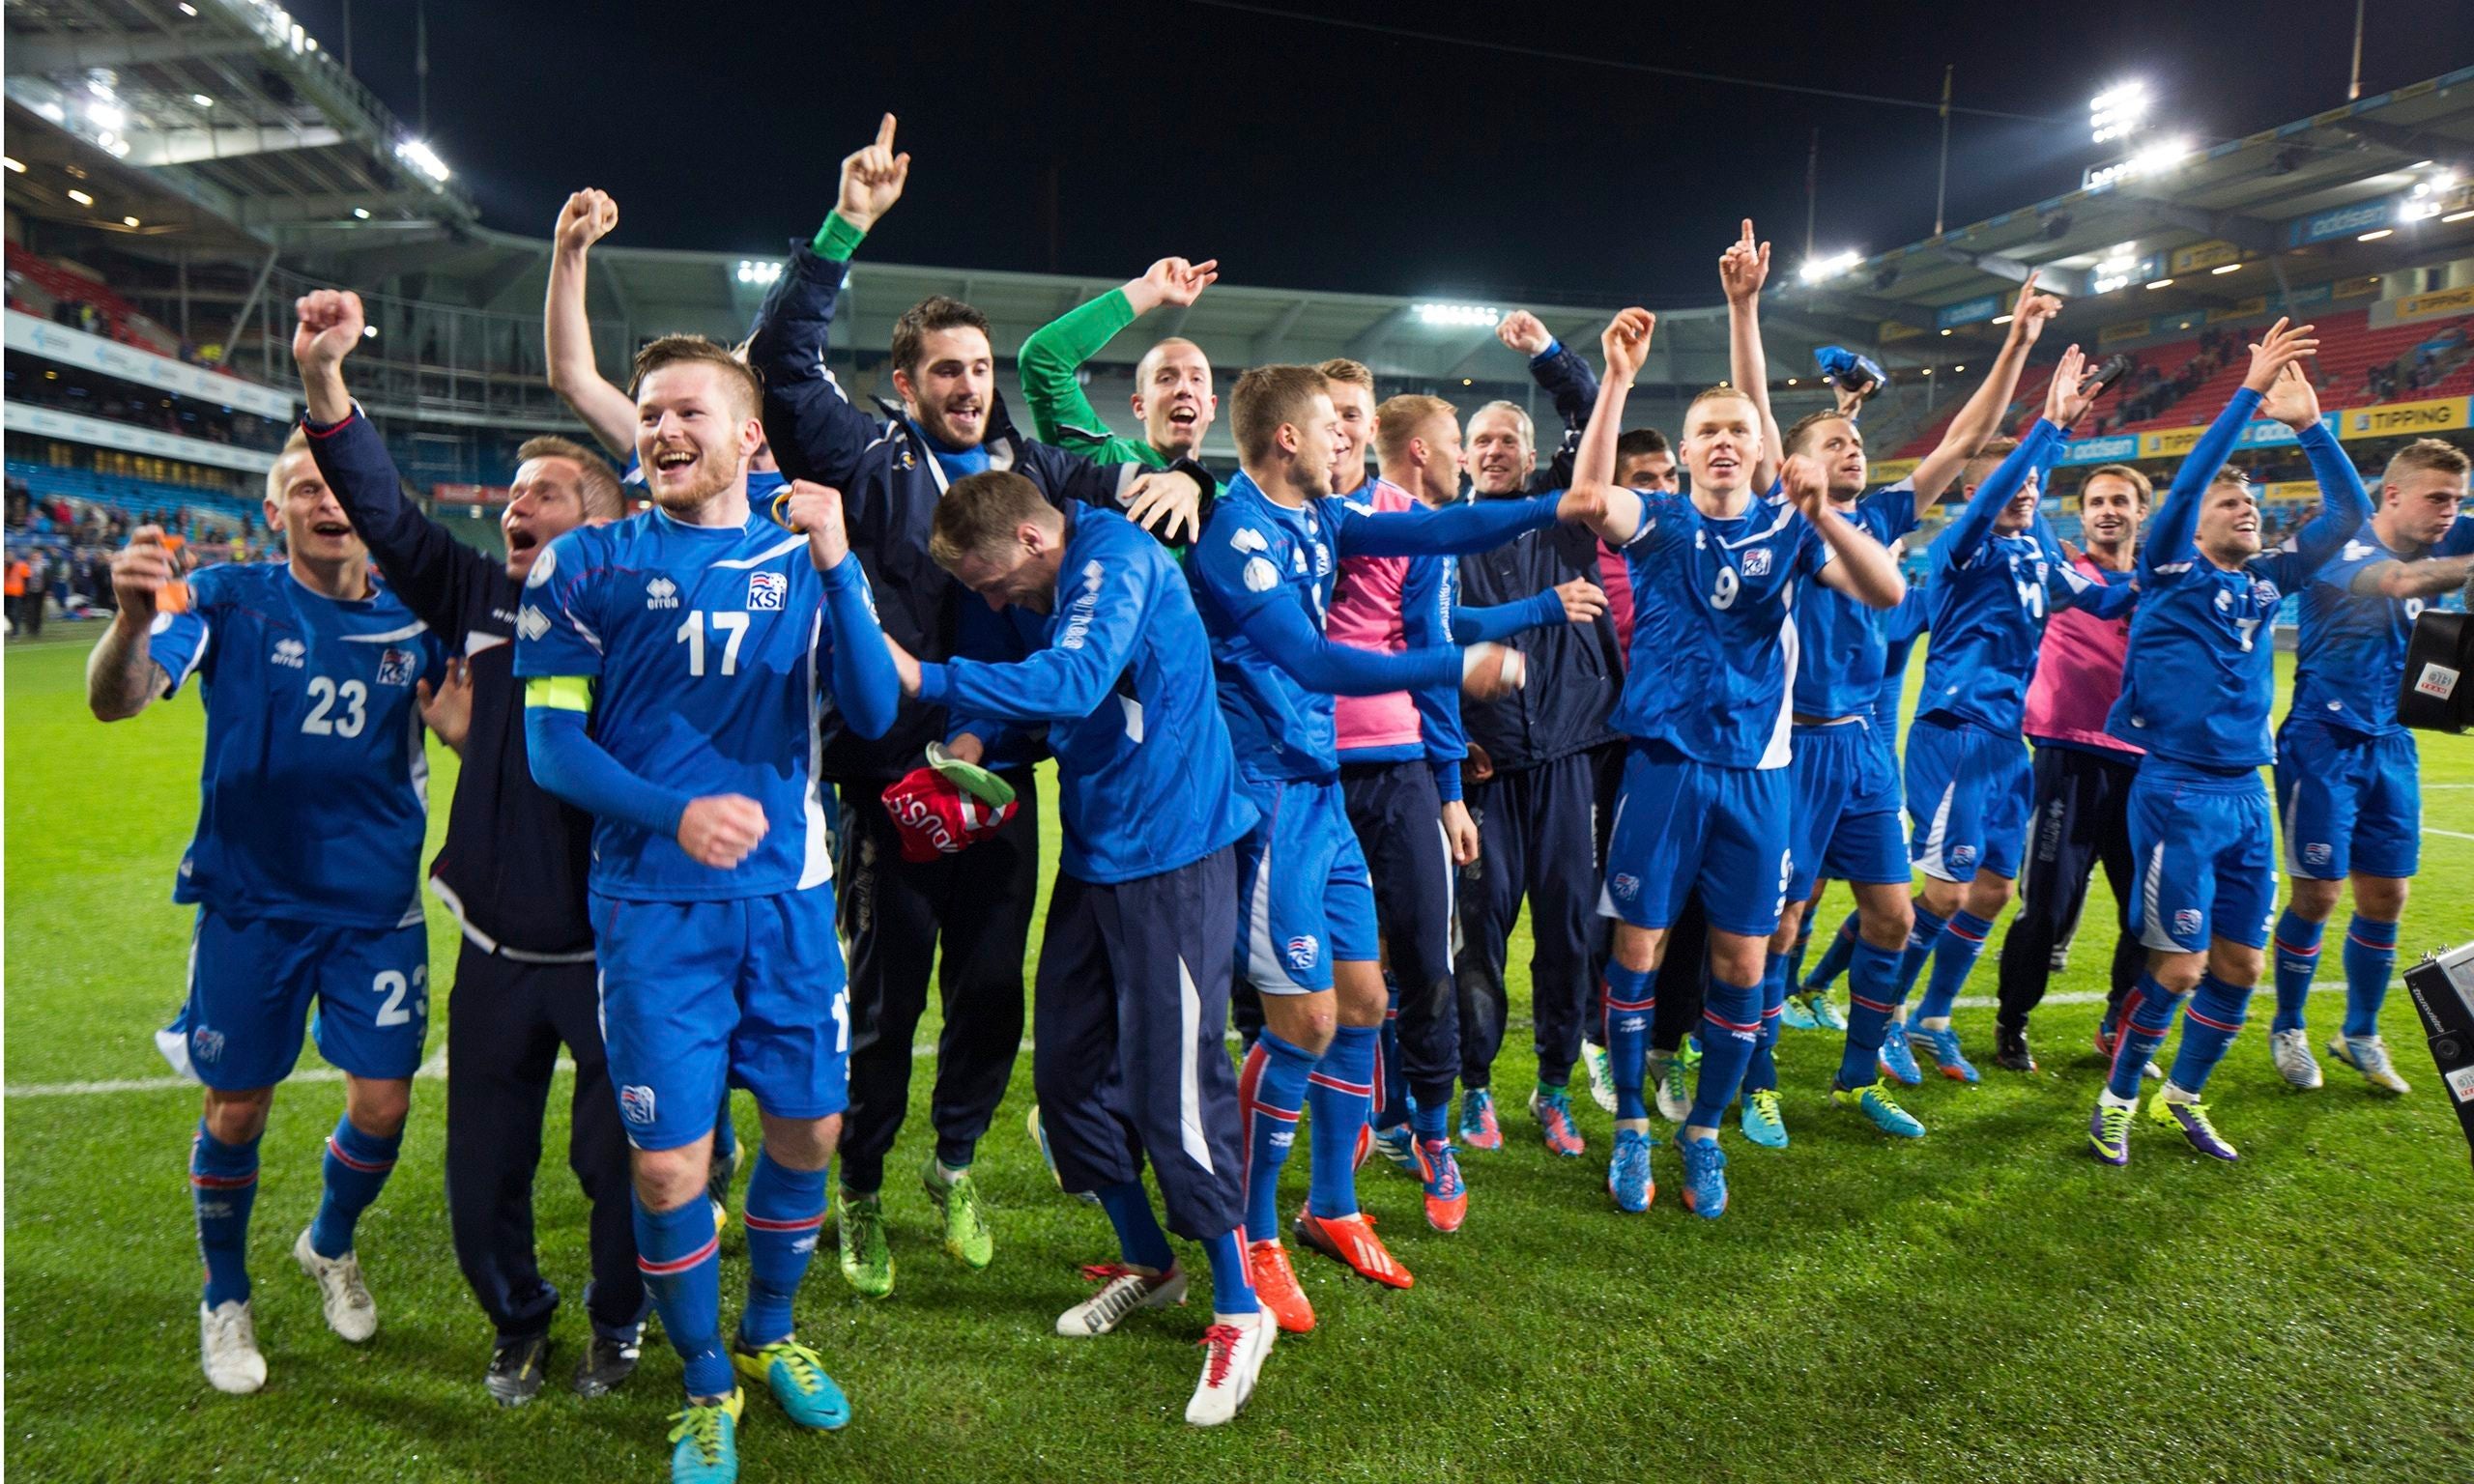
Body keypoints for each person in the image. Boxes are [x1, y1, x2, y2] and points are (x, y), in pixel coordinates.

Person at [744, 117, 1204, 1298]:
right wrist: (846, 224)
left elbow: (1134, 486)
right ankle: (858, 1189)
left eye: (979, 368)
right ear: (905, 384)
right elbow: (782, 370)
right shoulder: (868, 458)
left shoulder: (1037, 468)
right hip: (891, 780)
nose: (967, 386)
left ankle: (954, 1165)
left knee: (991, 997)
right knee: (886, 1006)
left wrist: (1173, 473)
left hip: (1003, 784)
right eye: (944, 370)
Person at [516, 331, 903, 1483]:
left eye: (689, 411)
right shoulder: (582, 564)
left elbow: (875, 713)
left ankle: (773, 1331)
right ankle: (703, 1380)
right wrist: (671, 813)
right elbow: (549, 746)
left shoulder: (809, 557)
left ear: (749, 437)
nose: (664, 430)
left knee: (810, 1133)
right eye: (649, 413)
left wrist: (839, 564)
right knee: (669, 1173)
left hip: (787, 906)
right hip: (652, 911)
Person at [290, 287, 648, 1404]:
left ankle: (617, 1324)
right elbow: (385, 513)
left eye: (540, 494)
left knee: (617, 1164)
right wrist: (323, 379)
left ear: (598, 516)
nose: (512, 510)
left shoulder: (644, 609)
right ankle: (516, 1322)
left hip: (614, 946)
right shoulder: (479, 598)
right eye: (508, 497)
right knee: (483, 1169)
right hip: (495, 949)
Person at [1190, 362, 1575, 1328]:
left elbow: (1438, 528)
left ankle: (1331, 1205)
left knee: (1363, 1005)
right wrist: (1458, 662)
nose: (1347, 447)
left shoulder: (1319, 516)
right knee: (1302, 1026)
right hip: (1269, 801)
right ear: (1286, 439)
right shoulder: (1237, 535)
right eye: (1331, 430)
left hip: (1324, 796)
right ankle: (1251, 1231)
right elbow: (1314, 658)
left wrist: (1559, 504)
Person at [897, 469, 1270, 1424]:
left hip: (1176, 854)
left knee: (1172, 1091)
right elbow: (1054, 710)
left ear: (1030, 538)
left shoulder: (1118, 559)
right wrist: (975, 742)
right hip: (1102, 854)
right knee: (1066, 1082)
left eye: (989, 582)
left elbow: (1072, 678)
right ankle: (1149, 1261)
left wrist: (926, 682)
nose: (989, 601)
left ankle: (1239, 1305)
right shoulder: (1045, 577)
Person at [87, 425, 448, 1397]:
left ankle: (326, 1244)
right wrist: (127, 622)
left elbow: (472, 728)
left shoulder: (418, 619)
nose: (328, 503)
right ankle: (224, 1291)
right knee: (237, 1107)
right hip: (252, 905)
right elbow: (119, 700)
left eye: (341, 488)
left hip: (377, 908)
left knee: (384, 1104)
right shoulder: (222, 597)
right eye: (305, 489)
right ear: (273, 511)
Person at [1721, 236, 2069, 1141]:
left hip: (1863, 744)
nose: (1854, 448)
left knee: (1890, 912)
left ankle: (1854, 1076)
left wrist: (2019, 344)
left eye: (1857, 441)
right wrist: (1746, 307)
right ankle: (1755, 1078)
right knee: (1782, 924)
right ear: (1793, 461)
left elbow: (1963, 438)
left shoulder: (1875, 517)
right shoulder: (1781, 514)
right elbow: (1757, 411)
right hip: (1789, 746)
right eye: (1834, 440)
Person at [1571, 305, 1908, 1219]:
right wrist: (1616, 381)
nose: (1724, 442)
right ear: (1684, 453)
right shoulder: (1662, 522)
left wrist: (1826, 515)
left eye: (1739, 432)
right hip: (1665, 771)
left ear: (1760, 453)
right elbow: (1582, 502)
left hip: (1760, 779)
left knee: (1742, 959)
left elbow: (1888, 589)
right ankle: (1635, 1123)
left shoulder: (1791, 532)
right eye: (1708, 432)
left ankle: (1706, 1133)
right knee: (1636, 950)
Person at [2089, 321, 2369, 1168]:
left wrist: (2310, 425)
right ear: (2196, 522)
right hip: (2176, 793)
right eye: (2230, 502)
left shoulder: (2264, 581)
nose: (2246, 508)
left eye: (2252, 504)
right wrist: (2246, 392)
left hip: (2248, 794)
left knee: (2240, 968)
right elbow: (2180, 498)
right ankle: (2119, 1099)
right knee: (2176, 970)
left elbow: (2350, 513)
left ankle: (2187, 1097)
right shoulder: (2169, 572)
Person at [1333, 386, 1598, 1228]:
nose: (1471, 454)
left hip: (1428, 766)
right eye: (1461, 440)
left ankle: (1441, 1129)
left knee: (1435, 953)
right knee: (1336, 963)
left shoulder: (1431, 530)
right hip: (1324, 768)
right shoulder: (1328, 520)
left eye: (1491, 439)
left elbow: (1440, 629)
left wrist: (1445, 779)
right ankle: (1381, 1111)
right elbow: (1439, 644)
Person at [1887, 341, 2135, 1085]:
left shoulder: (2039, 559)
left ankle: (1934, 1017)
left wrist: (2172, 578)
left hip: (2007, 744)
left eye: (2030, 480)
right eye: (2005, 480)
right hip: (1956, 733)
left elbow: (2103, 598)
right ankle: (1885, 1021)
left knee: (1994, 890)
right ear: (1973, 489)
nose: (2023, 490)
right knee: (1944, 890)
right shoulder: (1960, 548)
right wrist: (2051, 427)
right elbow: (1992, 504)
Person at [1450, 325, 1628, 1146]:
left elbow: (1591, 409)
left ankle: (1552, 1086)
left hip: (1565, 763)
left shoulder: (1564, 516)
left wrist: (1550, 353)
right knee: (1480, 937)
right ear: (1462, 456)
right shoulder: (1443, 536)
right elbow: (1428, 648)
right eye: (1480, 441)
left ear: (1531, 453)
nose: (1493, 451)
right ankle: (1476, 1086)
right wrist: (1453, 747)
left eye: (1506, 440)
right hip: (1486, 771)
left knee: (1566, 935)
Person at [2267, 437, 2473, 1093]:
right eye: (2436, 498)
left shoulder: (2444, 539)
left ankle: (2359, 1033)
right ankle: (2289, 1026)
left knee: (2387, 896)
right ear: (2392, 495)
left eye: (2458, 501)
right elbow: (2401, 583)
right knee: (2319, 894)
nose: (2449, 512)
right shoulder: (2348, 549)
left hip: (2392, 742)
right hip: (2322, 742)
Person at [1991, 465, 2151, 1073]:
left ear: (2142, 512)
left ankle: (2119, 1021)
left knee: (2145, 909)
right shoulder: (2058, 570)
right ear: (2081, 515)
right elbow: (2019, 495)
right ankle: (2013, 1019)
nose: (2108, 510)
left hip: (2144, 767)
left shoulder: (2159, 581)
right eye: (2096, 502)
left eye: (2121, 500)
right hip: (2068, 756)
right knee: (2048, 907)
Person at [1015, 254, 1220, 472]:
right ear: (1139, 406)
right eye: (1166, 378)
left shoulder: (1228, 501)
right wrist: (1148, 289)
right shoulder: (1105, 463)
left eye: (1196, 379)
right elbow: (1044, 358)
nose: (1184, 389)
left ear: (1211, 406)